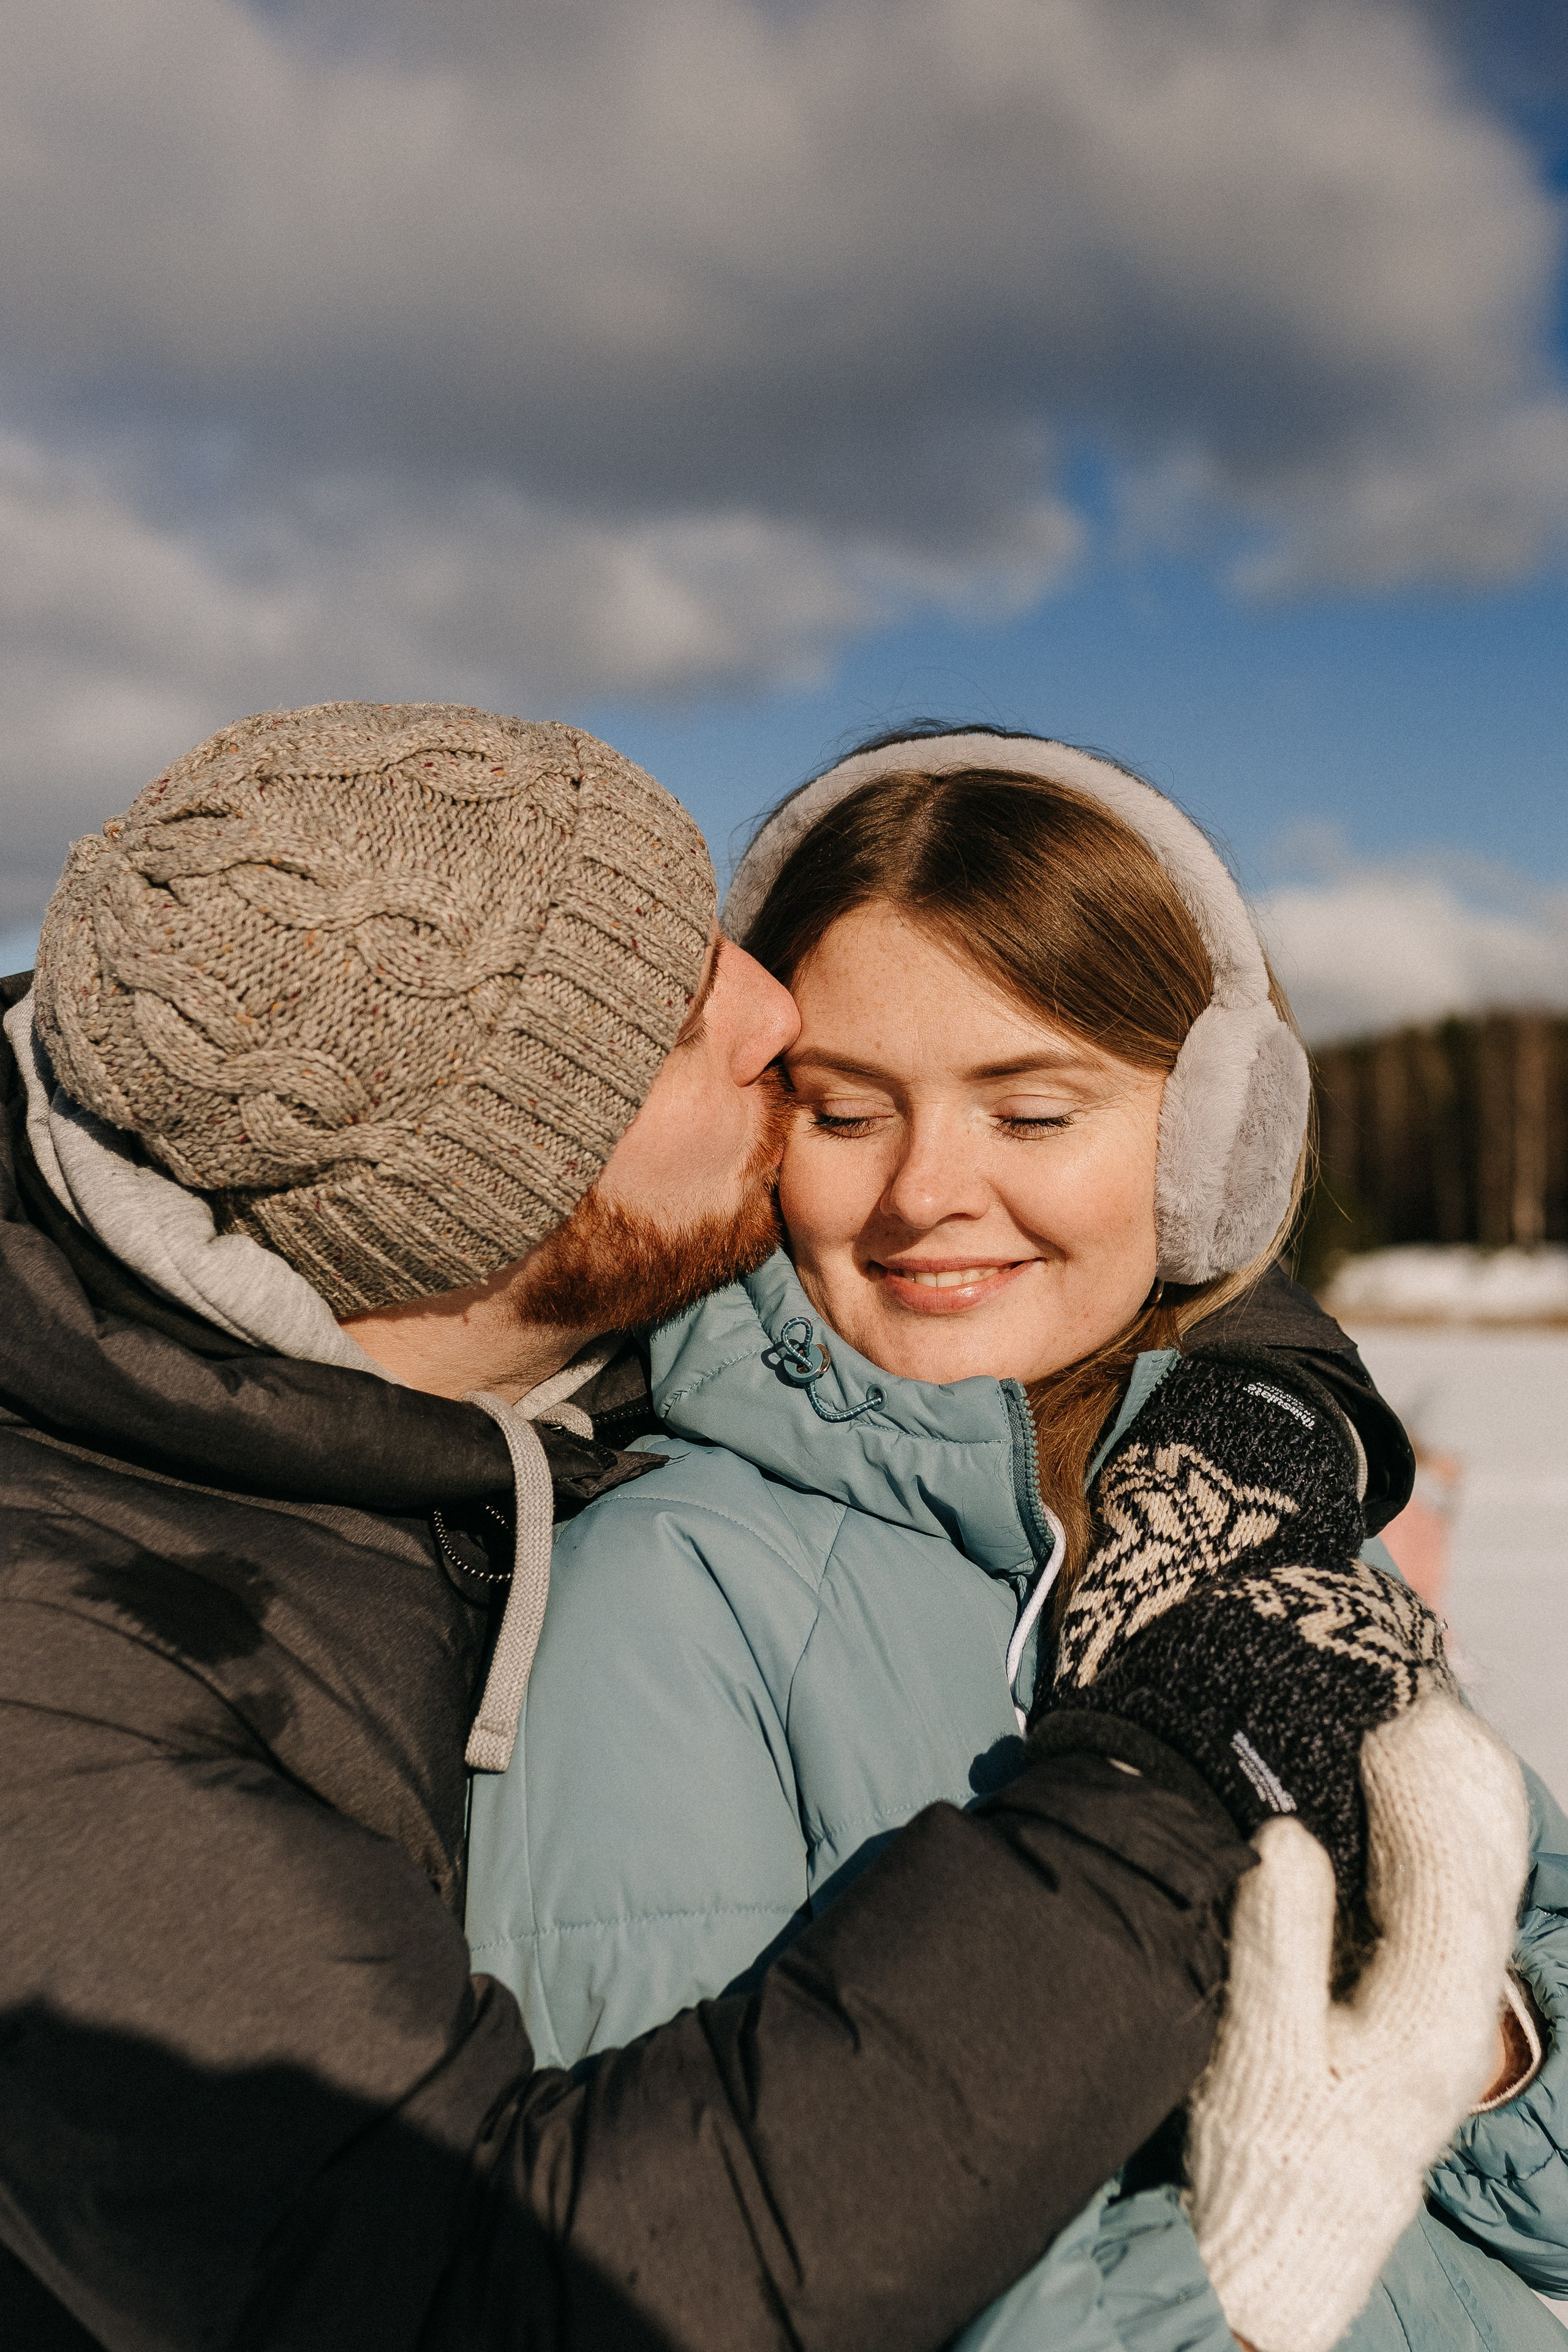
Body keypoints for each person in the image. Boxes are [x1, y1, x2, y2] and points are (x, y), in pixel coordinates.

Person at [0, 699, 1283, 2352]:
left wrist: (1262, 1403)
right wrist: (1166, 1796)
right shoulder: (57, 1684)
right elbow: (502, 2295)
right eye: (675, 1019)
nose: (770, 1003)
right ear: (500, 1199)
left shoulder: (545, 1379)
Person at [466, 728, 1568, 2352]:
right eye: (847, 1113)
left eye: (1033, 1113)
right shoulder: (670, 1603)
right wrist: (1237, 2280)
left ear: (1209, 1144)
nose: (927, 1193)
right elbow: (692, 2283)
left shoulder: (1253, 1513)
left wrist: (1465, 2043)